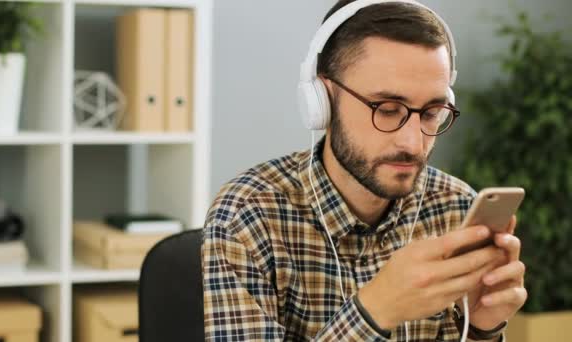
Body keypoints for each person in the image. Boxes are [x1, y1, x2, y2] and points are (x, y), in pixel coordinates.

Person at [202, 1, 527, 341]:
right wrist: (375, 310)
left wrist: (480, 328)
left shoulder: (456, 207)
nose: (413, 143)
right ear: (322, 101)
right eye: (387, 110)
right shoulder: (246, 216)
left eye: (431, 112)